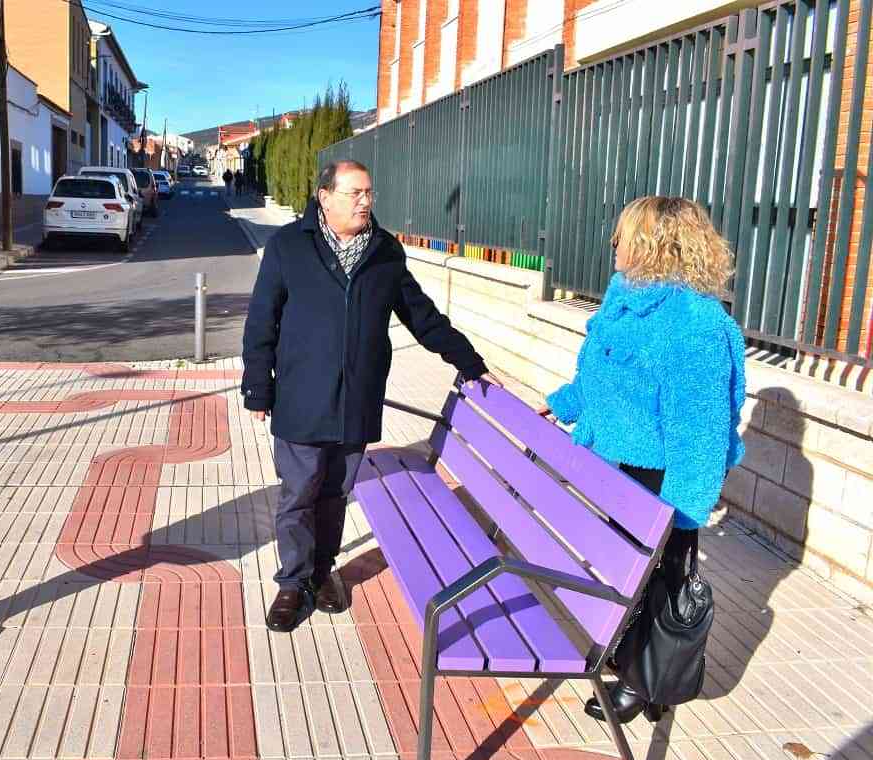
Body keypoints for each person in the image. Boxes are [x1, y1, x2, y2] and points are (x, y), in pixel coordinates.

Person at [243, 160, 500, 632]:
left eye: (369, 193)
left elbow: (422, 318)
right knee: (298, 494)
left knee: (335, 494)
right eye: (354, 193)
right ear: (325, 196)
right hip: (301, 396)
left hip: (356, 400)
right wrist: (258, 386)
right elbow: (262, 320)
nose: (365, 201)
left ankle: (322, 571)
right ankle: (292, 582)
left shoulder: (384, 252)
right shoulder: (288, 247)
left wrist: (470, 361)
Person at [539, 195, 746, 723]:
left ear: (656, 246)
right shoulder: (623, 299)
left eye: (624, 236)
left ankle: (645, 680)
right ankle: (630, 665)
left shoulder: (693, 325)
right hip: (613, 465)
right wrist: (562, 403)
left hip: (662, 478)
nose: (614, 245)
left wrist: (681, 515)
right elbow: (599, 376)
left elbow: (700, 434)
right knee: (622, 572)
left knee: (659, 577)